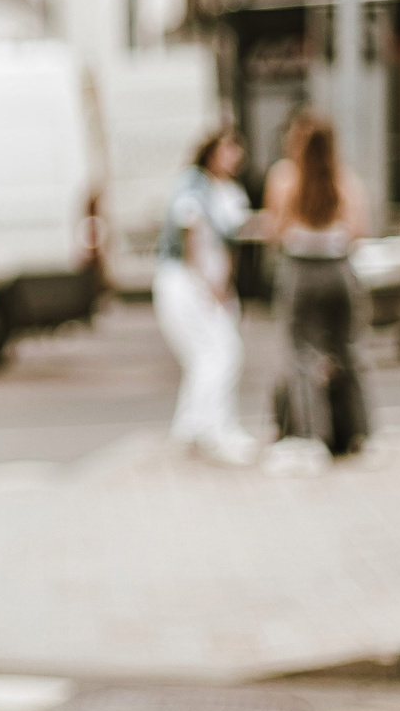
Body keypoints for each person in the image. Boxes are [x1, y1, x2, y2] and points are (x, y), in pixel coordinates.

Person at [261, 114, 373, 464]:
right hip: (339, 269)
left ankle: (312, 435)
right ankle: (357, 433)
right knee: (347, 349)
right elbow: (359, 230)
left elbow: (274, 231)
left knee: (300, 355)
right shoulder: (346, 179)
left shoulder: (283, 177)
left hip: (300, 271)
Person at [150, 126, 260, 466]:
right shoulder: (194, 184)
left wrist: (224, 282)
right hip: (187, 282)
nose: (233, 156)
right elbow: (191, 234)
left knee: (209, 355)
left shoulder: (228, 190)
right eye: (227, 149)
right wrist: (207, 284)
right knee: (218, 353)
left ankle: (192, 429)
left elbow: (232, 241)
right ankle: (212, 430)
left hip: (210, 283)